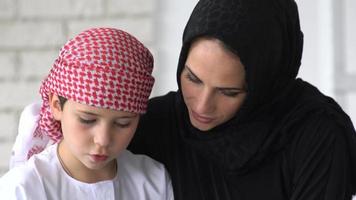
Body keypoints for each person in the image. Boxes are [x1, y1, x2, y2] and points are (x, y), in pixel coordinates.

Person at [126, 0, 356, 199]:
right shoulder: (152, 124)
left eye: (229, 92)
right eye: (193, 78)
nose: (201, 105)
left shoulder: (318, 134)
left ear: (264, 83)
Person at [0, 27, 173, 200]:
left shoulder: (154, 181)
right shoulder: (23, 189)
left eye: (122, 123)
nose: (103, 139)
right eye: (87, 120)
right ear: (56, 106)